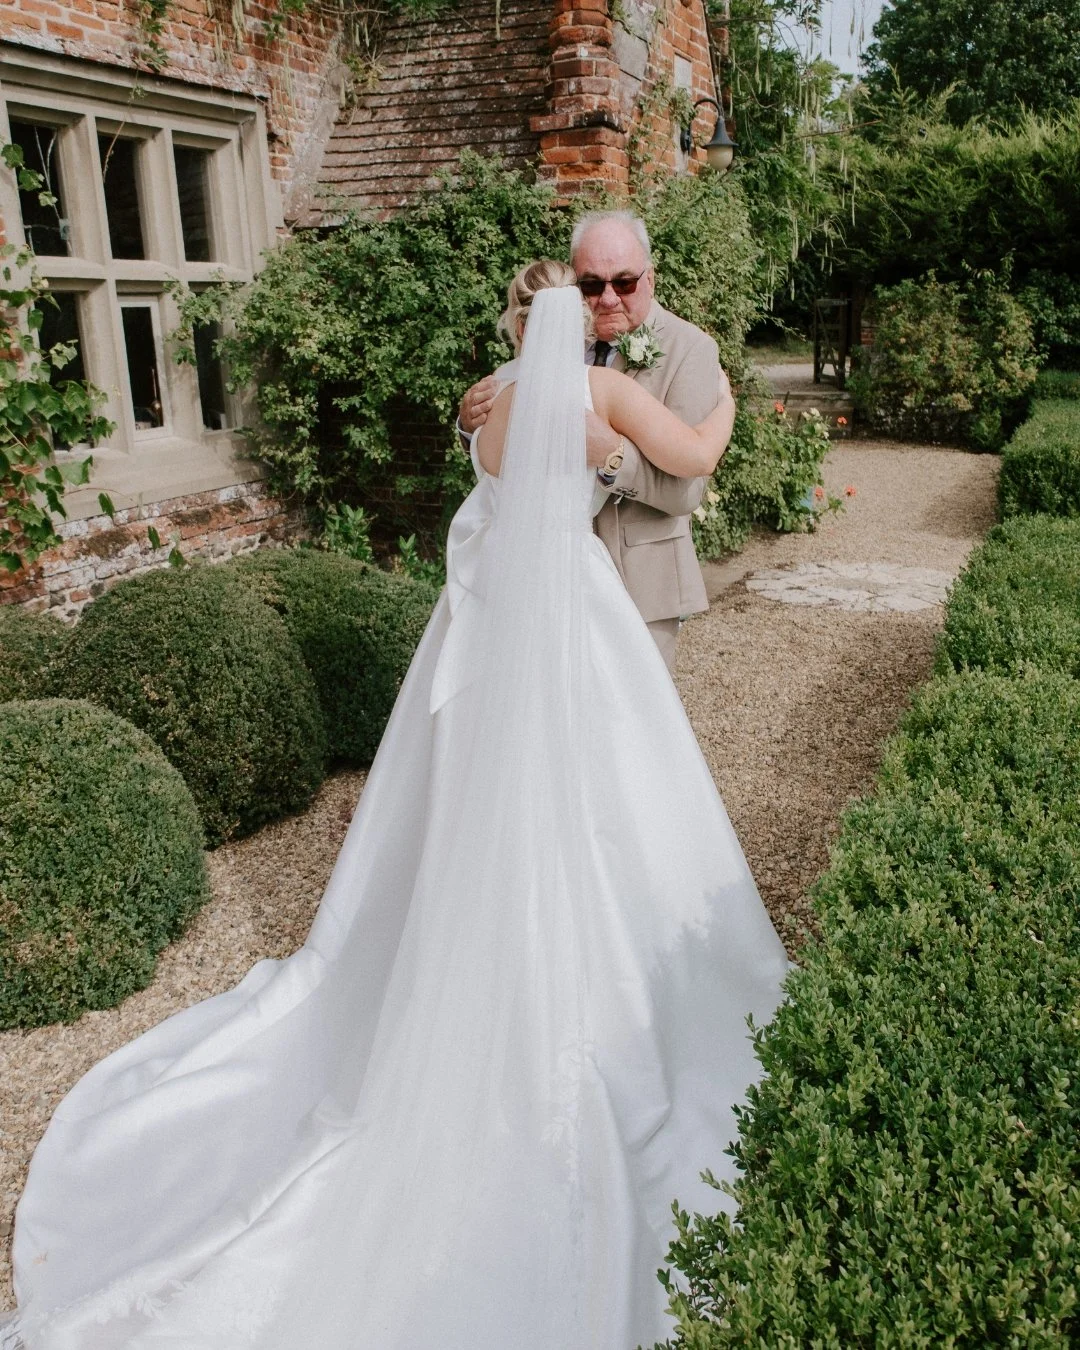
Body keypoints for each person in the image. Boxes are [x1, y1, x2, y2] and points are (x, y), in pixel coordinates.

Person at [2, 272, 789, 1350]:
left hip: (484, 630)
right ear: (578, 331)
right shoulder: (599, 400)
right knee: (613, 793)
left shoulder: (490, 397)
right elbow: (695, 459)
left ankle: (472, 943)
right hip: (572, 627)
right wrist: (732, 402)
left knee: (477, 795)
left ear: (515, 327)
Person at [460, 209, 733, 671]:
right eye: (591, 285)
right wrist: (469, 423)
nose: (607, 299)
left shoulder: (691, 350)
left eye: (624, 282)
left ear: (651, 278)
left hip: (639, 583)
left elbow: (688, 490)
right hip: (537, 580)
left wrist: (611, 454)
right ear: (570, 290)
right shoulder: (544, 350)